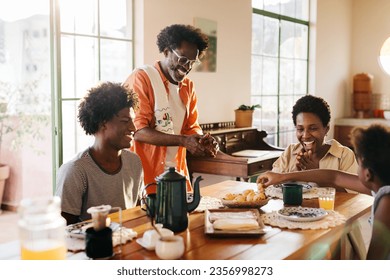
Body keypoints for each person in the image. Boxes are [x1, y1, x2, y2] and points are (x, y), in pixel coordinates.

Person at [257, 124, 390, 259]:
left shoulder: (386, 202)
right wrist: (283, 177)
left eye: (359, 163)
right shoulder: (381, 184)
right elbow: (334, 177)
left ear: (368, 174)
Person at [123, 24, 218, 192]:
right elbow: (138, 131)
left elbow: (191, 128)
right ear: (166, 51)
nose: (186, 67)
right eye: (182, 59)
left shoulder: (187, 86)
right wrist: (183, 141)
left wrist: (203, 141)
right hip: (145, 173)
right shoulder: (142, 78)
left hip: (176, 172)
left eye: (192, 62)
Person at [55, 82, 143, 225]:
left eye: (132, 121)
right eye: (125, 121)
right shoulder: (76, 171)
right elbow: (65, 231)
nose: (133, 128)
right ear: (103, 123)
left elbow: (135, 215)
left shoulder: (134, 162)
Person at [271, 95, 358, 192]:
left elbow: (352, 196)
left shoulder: (344, 155)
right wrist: (294, 175)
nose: (305, 135)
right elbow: (273, 186)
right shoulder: (290, 152)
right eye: (300, 129)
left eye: (313, 128)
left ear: (326, 129)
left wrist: (315, 174)